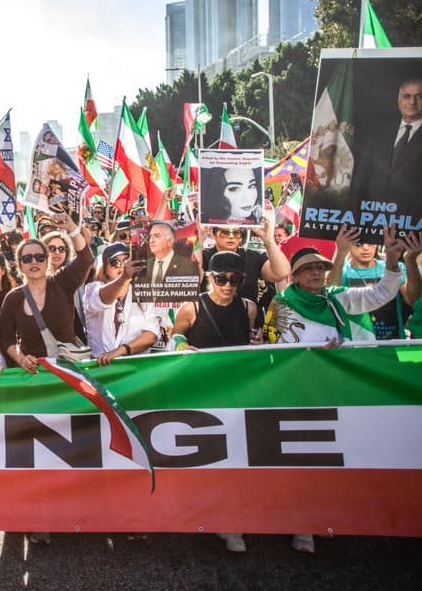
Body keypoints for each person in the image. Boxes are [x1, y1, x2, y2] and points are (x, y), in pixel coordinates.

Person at [168, 251, 262, 554]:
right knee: (204, 459)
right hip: (201, 396)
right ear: (210, 277)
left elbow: (254, 341)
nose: (228, 285)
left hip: (237, 395)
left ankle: (230, 525)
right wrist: (182, 346)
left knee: (234, 460)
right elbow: (172, 339)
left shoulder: (249, 308)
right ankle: (198, 514)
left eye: (235, 280)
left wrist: (258, 344)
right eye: (222, 279)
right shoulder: (192, 308)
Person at [265, 226, 406, 347]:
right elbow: (276, 346)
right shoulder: (282, 303)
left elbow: (381, 293)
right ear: (295, 277)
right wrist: (316, 351)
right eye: (308, 268)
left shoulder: (337, 297)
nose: (316, 272)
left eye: (320, 267)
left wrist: (391, 262)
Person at [349, 78, 422, 218]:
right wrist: (353, 218)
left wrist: (418, 225)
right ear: (399, 100)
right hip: (370, 219)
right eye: (407, 96)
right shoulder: (379, 134)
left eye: (419, 96)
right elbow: (360, 180)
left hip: (411, 223)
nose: (412, 102)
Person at [0, 214, 94, 372]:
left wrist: (72, 228)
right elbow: (7, 339)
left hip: (70, 372)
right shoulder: (12, 299)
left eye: (39, 257)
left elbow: (86, 259)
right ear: (20, 265)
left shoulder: (62, 283)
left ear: (47, 261)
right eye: (27, 259)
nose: (34, 262)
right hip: (35, 375)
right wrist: (21, 359)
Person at [327, 224, 422, 339]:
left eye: (371, 243)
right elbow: (330, 297)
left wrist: (411, 261)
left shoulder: (394, 267)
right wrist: (340, 253)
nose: (366, 248)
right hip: (356, 345)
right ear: (350, 245)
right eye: (358, 244)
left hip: (392, 343)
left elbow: (417, 302)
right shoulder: (342, 270)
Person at [82, 243, 160, 364]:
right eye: (115, 262)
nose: (122, 266)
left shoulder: (144, 292)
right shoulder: (93, 289)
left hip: (136, 366)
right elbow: (103, 299)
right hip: (100, 366)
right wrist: (124, 277)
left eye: (126, 261)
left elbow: (151, 334)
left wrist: (121, 351)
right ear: (105, 268)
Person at [200, 220, 290, 319]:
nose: (231, 237)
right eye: (224, 233)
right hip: (210, 319)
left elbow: (281, 273)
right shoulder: (203, 256)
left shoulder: (253, 257)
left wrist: (268, 239)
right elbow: (193, 279)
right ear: (213, 234)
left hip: (248, 321)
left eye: (236, 233)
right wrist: (199, 241)